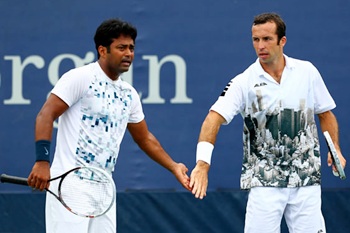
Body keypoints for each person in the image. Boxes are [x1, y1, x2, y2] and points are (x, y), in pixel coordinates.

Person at [27, 18, 191, 233]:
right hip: (70, 184)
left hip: (104, 189)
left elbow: (144, 138)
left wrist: (173, 166)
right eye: (121, 48)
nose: (129, 53)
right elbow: (45, 115)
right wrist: (42, 161)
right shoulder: (80, 78)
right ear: (102, 51)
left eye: (131, 48)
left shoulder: (129, 94)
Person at [189, 12, 346, 233]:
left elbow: (325, 113)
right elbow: (212, 119)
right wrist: (202, 164)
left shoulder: (307, 72)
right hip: (265, 183)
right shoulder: (243, 82)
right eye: (256, 39)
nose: (260, 46)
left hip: (306, 180)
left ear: (282, 41)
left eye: (267, 39)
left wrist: (335, 148)